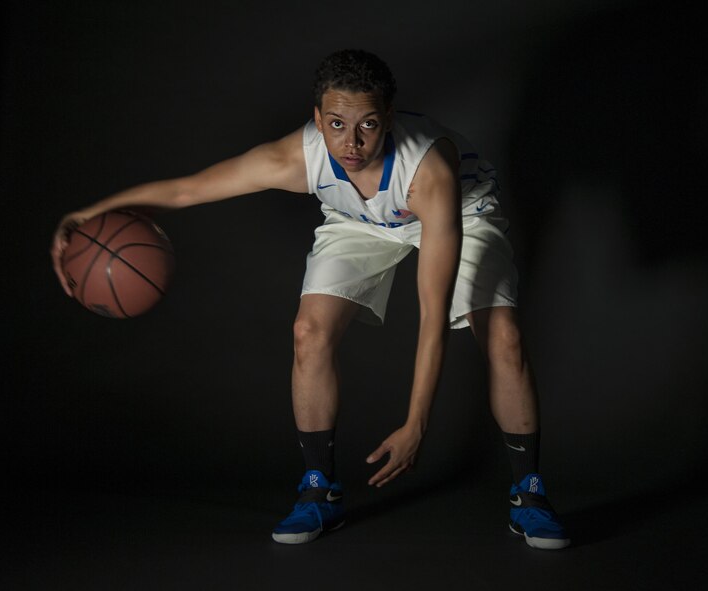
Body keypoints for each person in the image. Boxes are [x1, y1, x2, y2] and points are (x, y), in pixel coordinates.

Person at [50, 49, 570, 550]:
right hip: (359, 222)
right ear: (318, 119)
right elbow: (188, 190)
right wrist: (89, 213)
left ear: (388, 118)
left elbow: (432, 317)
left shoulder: (427, 173)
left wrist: (417, 423)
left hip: (460, 213)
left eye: (368, 123)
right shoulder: (299, 156)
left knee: (503, 337)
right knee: (309, 332)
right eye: (338, 124)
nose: (352, 140)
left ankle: (529, 492)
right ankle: (319, 489)